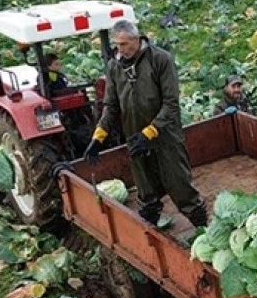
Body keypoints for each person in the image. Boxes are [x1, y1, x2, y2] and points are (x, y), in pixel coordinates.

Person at [85, 20, 208, 228]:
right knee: (146, 194)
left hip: (165, 137)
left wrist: (150, 132)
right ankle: (151, 236)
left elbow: (171, 105)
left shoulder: (160, 59)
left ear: (136, 39)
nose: (120, 49)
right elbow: (111, 105)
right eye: (117, 44)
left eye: (124, 44)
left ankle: (202, 228)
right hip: (135, 139)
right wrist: (99, 136)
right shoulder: (114, 67)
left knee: (180, 186)